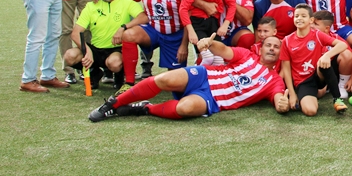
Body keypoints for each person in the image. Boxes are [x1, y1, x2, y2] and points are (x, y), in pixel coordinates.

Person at [88, 35, 290, 121]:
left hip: (213, 100)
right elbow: (225, 50)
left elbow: (277, 99)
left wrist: (281, 104)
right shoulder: (247, 55)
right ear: (261, 47)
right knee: (164, 80)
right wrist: (210, 44)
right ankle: (112, 106)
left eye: (276, 46)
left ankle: (145, 108)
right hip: (203, 76)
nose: (272, 48)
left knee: (184, 108)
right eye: (268, 45)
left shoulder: (274, 81)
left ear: (281, 53)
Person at [63, 0, 143, 91]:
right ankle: (95, 73)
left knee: (114, 63)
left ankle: (119, 77)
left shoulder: (127, 2)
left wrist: (124, 27)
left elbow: (143, 17)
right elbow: (75, 33)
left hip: (116, 49)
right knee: (69, 56)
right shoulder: (91, 5)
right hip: (95, 49)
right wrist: (87, 49)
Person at [124, 0, 189, 81]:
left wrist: (184, 45)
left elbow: (188, 16)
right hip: (152, 30)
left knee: (175, 80)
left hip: (174, 34)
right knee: (128, 35)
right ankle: (129, 82)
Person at [280, 4, 350, 116]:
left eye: (303, 16)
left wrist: (327, 55)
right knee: (310, 111)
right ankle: (304, 96)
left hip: (318, 76)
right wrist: (292, 94)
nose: (299, 19)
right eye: (296, 16)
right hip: (303, 82)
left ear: (310, 20)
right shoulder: (287, 41)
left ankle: (337, 100)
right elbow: (286, 69)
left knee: (324, 63)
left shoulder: (317, 35)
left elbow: (342, 45)